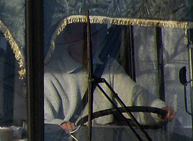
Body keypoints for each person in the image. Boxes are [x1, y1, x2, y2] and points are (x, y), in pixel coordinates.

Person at [43, 22, 174, 132]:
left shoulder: (108, 67)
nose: (90, 41)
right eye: (83, 36)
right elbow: (43, 120)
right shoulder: (50, 74)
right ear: (67, 38)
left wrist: (158, 109)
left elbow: (134, 96)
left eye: (94, 35)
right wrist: (60, 126)